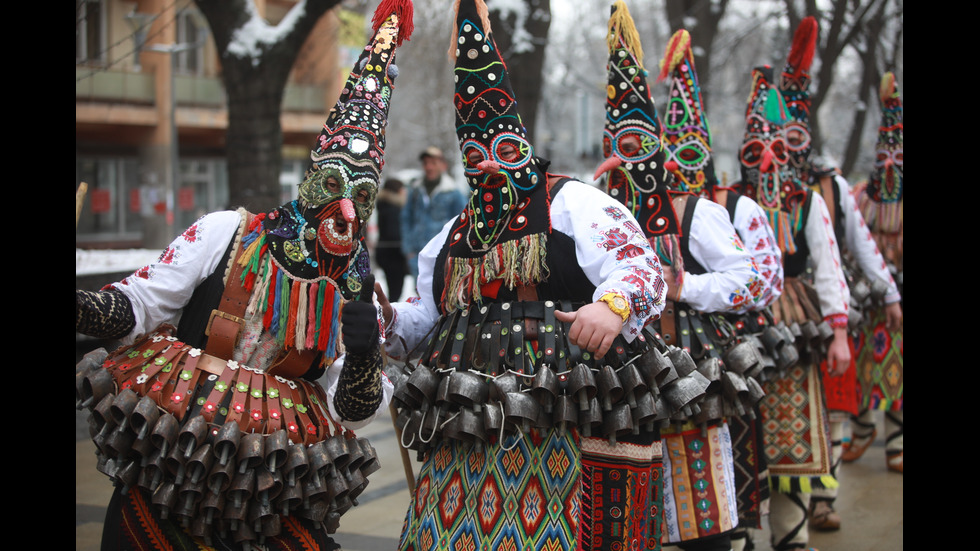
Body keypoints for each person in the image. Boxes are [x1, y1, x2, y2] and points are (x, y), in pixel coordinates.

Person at [73, 2, 411, 548]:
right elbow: (140, 305)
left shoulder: (355, 290)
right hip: (175, 451)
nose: (344, 208)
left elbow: (352, 410)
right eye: (332, 185)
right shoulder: (228, 232)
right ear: (310, 176)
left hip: (267, 484)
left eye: (363, 195)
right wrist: (83, 306)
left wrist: (367, 350)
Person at [379, 1, 708, 548]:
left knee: (569, 526)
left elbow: (639, 263)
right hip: (471, 410)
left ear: (522, 146)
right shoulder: (454, 233)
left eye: (500, 149)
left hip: (568, 399)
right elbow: (428, 316)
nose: (486, 163)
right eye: (474, 152)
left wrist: (612, 306)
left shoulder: (572, 201)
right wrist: (388, 319)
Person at [594, 6, 771, 551]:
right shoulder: (596, 213)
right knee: (626, 506)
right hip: (618, 371)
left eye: (634, 150)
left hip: (690, 367)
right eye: (615, 150)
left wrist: (686, 287)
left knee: (701, 510)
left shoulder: (697, 214)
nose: (624, 164)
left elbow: (754, 282)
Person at [658, 27, 789, 551]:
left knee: (715, 463)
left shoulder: (722, 210)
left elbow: (758, 281)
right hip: (645, 356)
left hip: (709, 348)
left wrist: (684, 286)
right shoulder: (614, 209)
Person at [730, 64, 851, 551]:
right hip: (739, 327)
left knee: (790, 434)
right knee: (743, 433)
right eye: (755, 152)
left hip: (795, 325)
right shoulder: (728, 200)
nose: (767, 162)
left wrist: (838, 332)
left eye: (777, 150)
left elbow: (829, 266)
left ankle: (793, 539)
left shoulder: (807, 204)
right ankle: (741, 537)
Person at [845, 72, 904, 474]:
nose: (888, 165)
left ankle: (897, 441)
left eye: (896, 160)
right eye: (883, 158)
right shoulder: (860, 195)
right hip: (866, 298)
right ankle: (863, 427)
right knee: (863, 363)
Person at [400, 145, 468, 280]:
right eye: (426, 163)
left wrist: (453, 252)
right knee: (419, 293)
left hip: (442, 254)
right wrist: (408, 249)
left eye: (433, 163)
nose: (429, 167)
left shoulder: (453, 192)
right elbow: (406, 218)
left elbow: (462, 222)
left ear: (443, 165)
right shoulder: (415, 190)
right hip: (417, 254)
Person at [375, 177, 409, 301]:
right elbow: (393, 233)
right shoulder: (393, 208)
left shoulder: (384, 205)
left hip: (385, 252)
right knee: (396, 291)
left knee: (393, 289)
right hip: (394, 254)